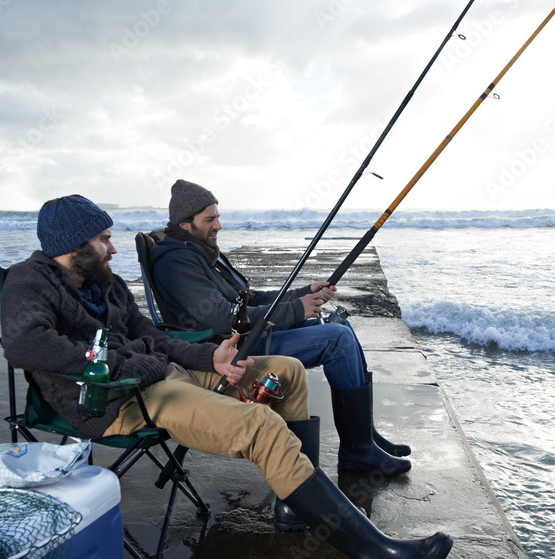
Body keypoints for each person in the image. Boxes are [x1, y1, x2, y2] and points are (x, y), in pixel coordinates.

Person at [0, 194, 452, 559]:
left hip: (160, 375)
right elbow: (25, 344)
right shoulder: (29, 282)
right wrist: (124, 366)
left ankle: (295, 505)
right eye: (103, 239)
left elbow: (151, 336)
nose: (113, 247)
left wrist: (210, 358)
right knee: (260, 425)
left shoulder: (107, 284)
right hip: (117, 399)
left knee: (287, 371)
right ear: (72, 247)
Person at [149, 180, 412, 530]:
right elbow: (221, 318)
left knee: (341, 327)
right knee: (337, 340)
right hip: (230, 348)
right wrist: (294, 311)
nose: (218, 225)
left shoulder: (197, 250)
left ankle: (362, 437)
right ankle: (358, 451)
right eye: (210, 218)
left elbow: (249, 299)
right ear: (185, 223)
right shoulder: (177, 261)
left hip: (246, 335)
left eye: (218, 216)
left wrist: (305, 294)